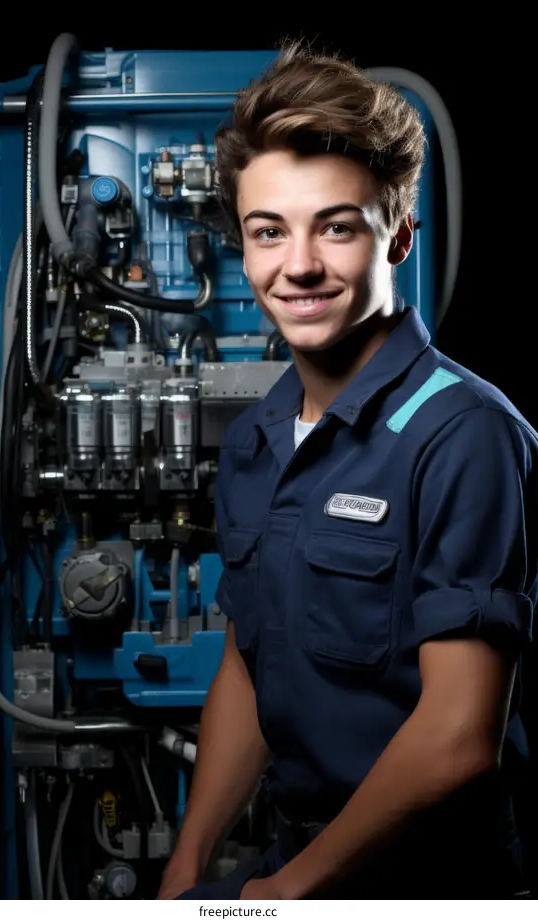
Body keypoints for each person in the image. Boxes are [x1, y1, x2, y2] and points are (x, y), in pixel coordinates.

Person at [157, 41, 537, 899]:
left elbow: (460, 735)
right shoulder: (258, 438)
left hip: (437, 885)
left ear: (398, 233)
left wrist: (291, 891)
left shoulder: (464, 434)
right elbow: (250, 668)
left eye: (336, 226)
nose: (297, 266)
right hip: (301, 865)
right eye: (267, 232)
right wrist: (187, 865)